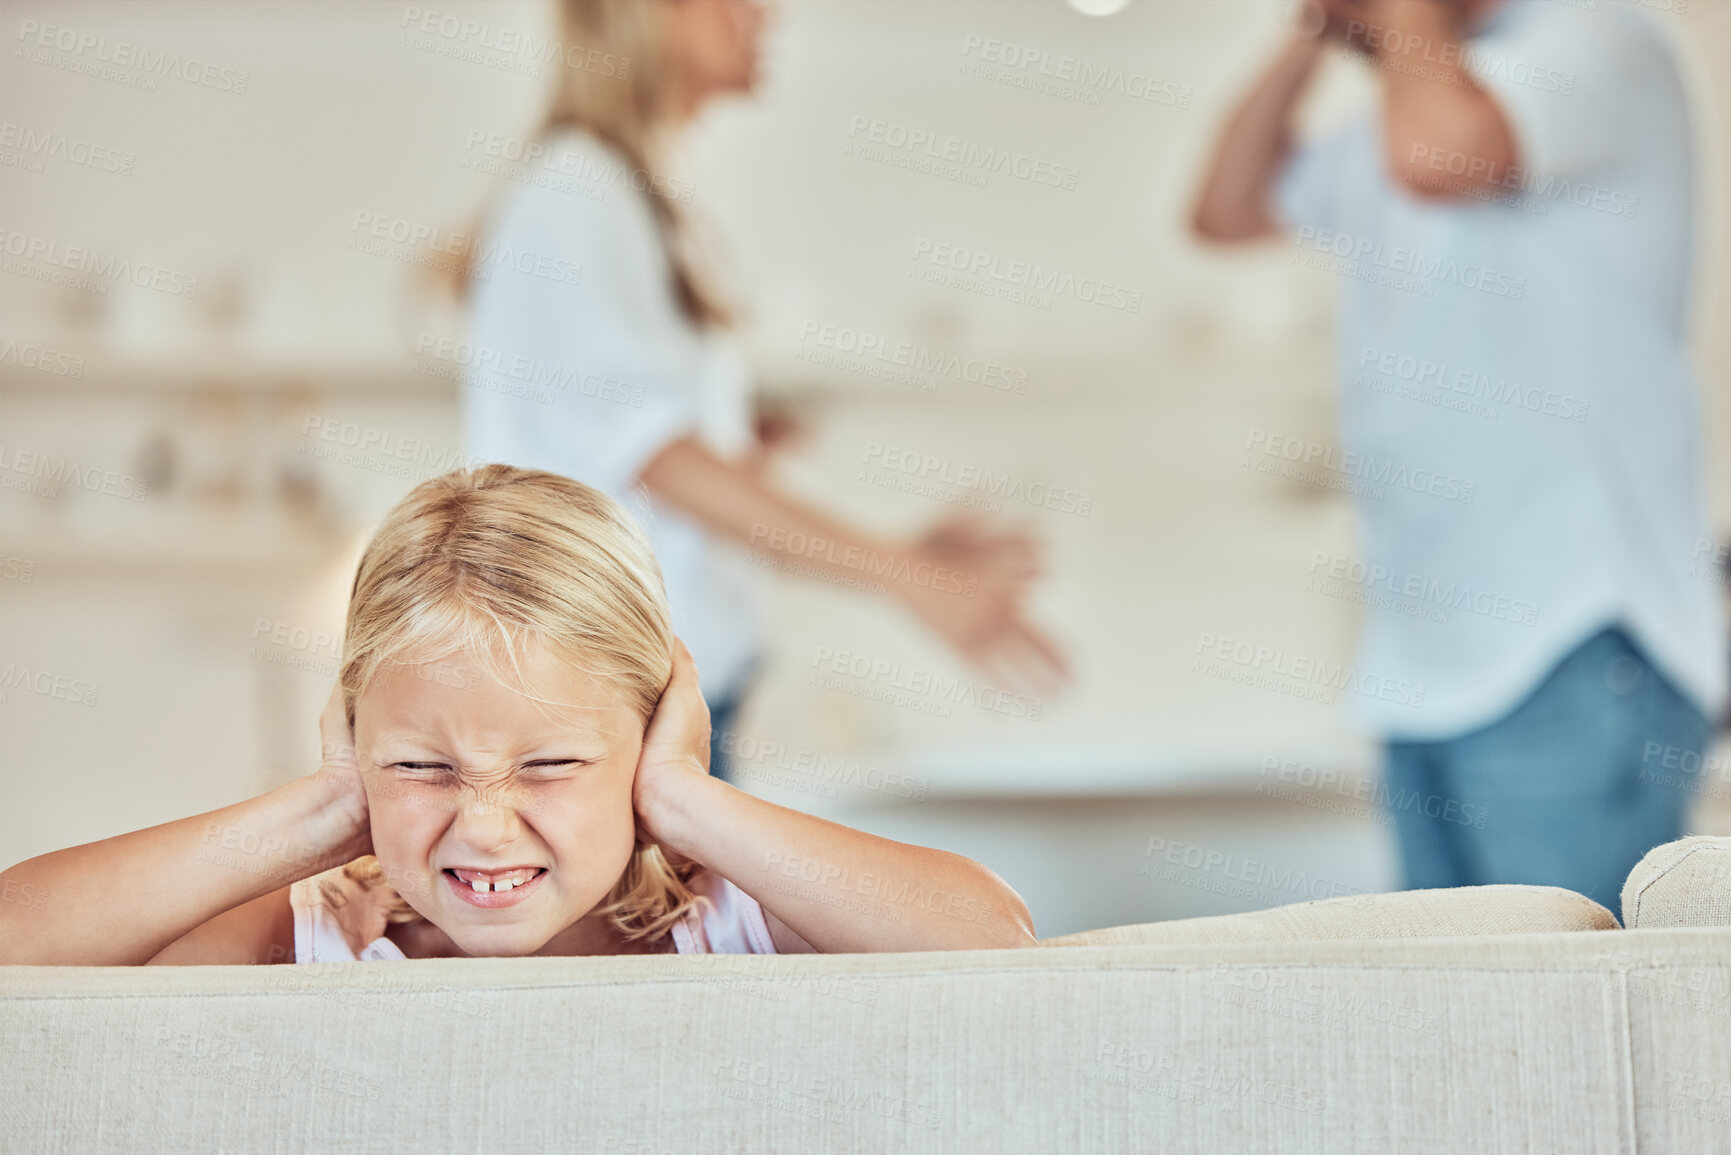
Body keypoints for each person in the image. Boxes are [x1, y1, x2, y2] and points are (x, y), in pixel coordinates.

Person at [0, 467, 1038, 965]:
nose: (485, 825)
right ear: (356, 737)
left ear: (653, 725)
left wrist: (683, 799)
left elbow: (992, 941)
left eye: (549, 765)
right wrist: (325, 810)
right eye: (422, 768)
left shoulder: (734, 919)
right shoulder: (310, 937)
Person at [1191, 0, 1725, 918]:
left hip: (1571, 640)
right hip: (1422, 662)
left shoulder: (1594, 38)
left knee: (1576, 1035)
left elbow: (1437, 160)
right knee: (1466, 1036)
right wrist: (1314, 30)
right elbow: (1222, 209)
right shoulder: (1392, 120)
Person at [461, 0, 1066, 782]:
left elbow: (665, 478)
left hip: (658, 707)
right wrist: (905, 576)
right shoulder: (577, 197)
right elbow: (664, 463)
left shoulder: (625, 197)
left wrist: (902, 555)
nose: (765, 14)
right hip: (613, 716)